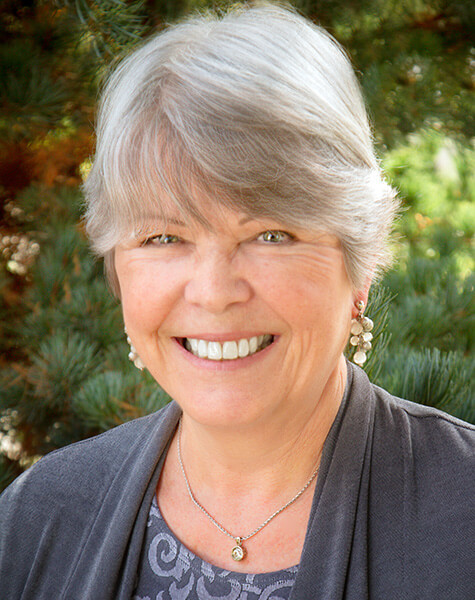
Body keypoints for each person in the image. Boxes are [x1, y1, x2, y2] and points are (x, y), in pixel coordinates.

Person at [0, 3, 473, 599]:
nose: (215, 292)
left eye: (270, 235)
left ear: (359, 265)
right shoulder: (38, 518)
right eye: (163, 237)